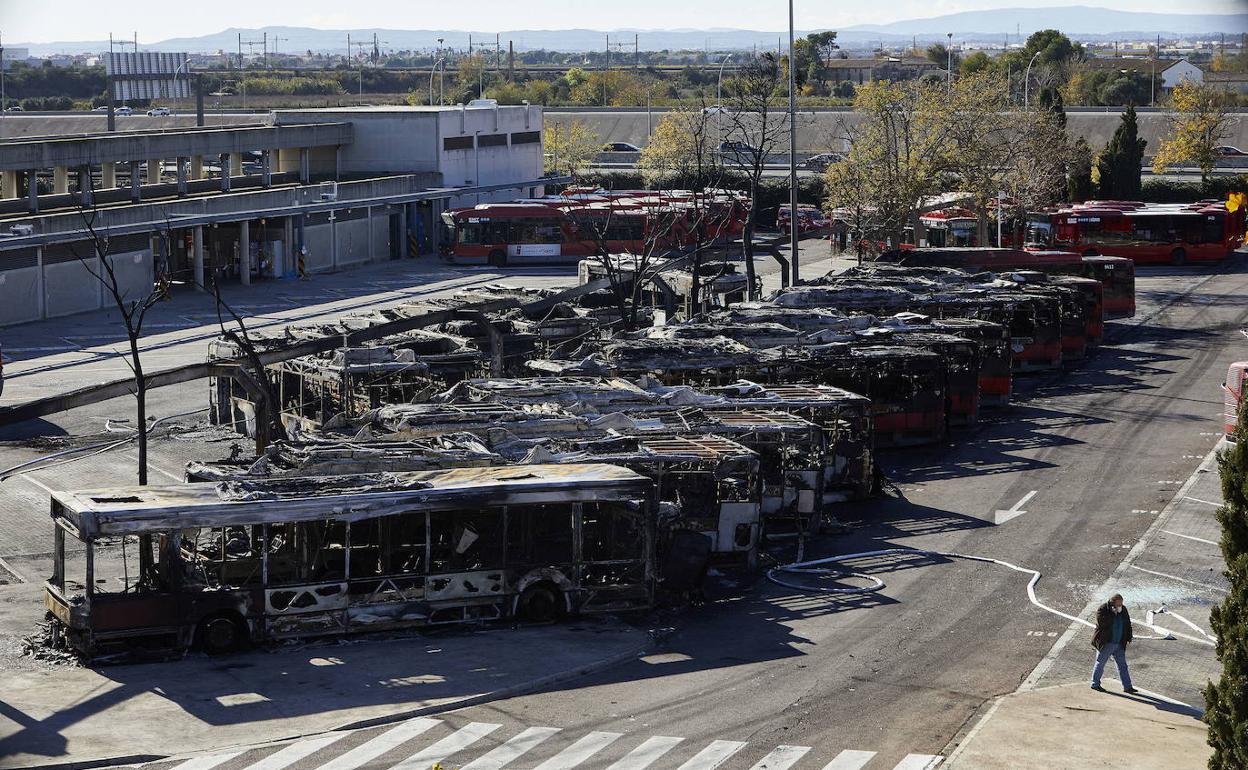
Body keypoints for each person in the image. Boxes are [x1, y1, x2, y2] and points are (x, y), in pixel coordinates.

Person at [1091, 593, 1138, 693]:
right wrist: (1113, 614)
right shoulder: (1103, 609)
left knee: (1123, 665)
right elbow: (1101, 623)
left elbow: (1127, 624)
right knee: (1100, 663)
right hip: (1107, 643)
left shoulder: (1123, 610)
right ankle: (1095, 684)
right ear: (1113, 602)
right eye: (1119, 604)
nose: (1120, 605)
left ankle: (1127, 686)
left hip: (1119, 643)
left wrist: (1129, 637)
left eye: (1121, 603)